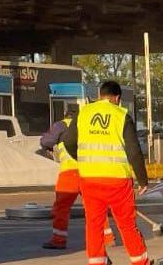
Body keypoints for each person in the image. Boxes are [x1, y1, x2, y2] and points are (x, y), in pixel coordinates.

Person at [62, 81, 155, 265]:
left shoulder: (84, 113)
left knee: (94, 224)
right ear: (117, 98)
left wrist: (82, 159)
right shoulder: (121, 115)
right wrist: (143, 180)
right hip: (117, 181)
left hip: (89, 179)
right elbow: (134, 151)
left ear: (99, 95)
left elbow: (68, 141)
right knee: (126, 224)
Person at [39, 106, 114, 250]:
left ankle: (58, 239)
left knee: (62, 207)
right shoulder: (90, 125)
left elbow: (46, 141)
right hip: (90, 171)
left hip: (70, 172)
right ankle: (107, 237)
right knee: (95, 206)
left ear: (66, 115)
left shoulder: (61, 125)